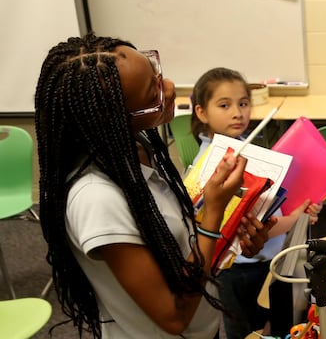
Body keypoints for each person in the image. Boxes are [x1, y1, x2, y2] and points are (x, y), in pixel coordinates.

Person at [35, 35, 273, 338]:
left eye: (157, 73)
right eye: (154, 92)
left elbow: (179, 245)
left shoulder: (139, 148)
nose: (170, 87)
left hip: (204, 324)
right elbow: (173, 316)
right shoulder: (96, 200)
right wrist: (213, 214)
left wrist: (232, 238)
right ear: (118, 119)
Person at [191, 67, 322, 339]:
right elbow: (249, 226)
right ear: (201, 112)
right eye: (224, 105)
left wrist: (300, 209)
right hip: (239, 270)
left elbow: (266, 207)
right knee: (249, 330)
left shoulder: (241, 147)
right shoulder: (216, 165)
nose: (237, 112)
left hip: (262, 258)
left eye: (243, 103)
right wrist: (296, 216)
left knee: (271, 323)